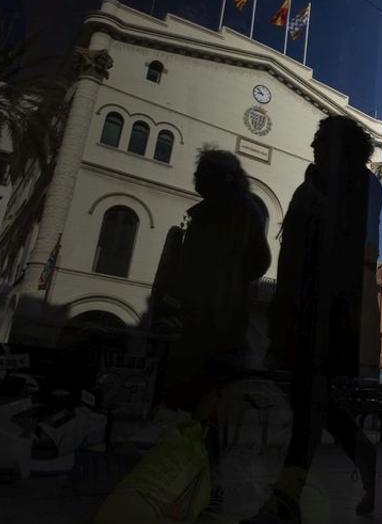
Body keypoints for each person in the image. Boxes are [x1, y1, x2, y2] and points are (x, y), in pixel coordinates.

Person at [246, 115, 379, 523]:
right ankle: (366, 457)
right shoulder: (311, 187)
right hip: (299, 308)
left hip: (327, 311)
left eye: (325, 142)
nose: (316, 147)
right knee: (312, 401)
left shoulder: (356, 187)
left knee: (308, 405)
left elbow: (352, 253)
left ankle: (285, 500)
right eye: (317, 141)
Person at [152, 149, 271, 507]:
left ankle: (203, 479)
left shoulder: (219, 214)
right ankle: (202, 478)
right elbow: (259, 261)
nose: (196, 179)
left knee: (203, 404)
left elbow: (249, 262)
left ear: (219, 178)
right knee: (204, 405)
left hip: (209, 321)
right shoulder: (238, 211)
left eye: (202, 173)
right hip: (213, 319)